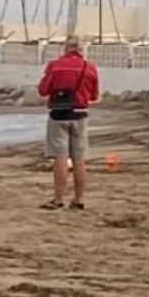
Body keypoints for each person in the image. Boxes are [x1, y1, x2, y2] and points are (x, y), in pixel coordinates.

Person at [36, 36, 100, 210]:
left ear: (66, 48)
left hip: (59, 115)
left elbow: (43, 90)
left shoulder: (55, 65)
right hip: (80, 115)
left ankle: (58, 199)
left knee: (60, 158)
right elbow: (94, 95)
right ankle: (79, 199)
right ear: (81, 49)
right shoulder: (90, 67)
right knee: (79, 159)